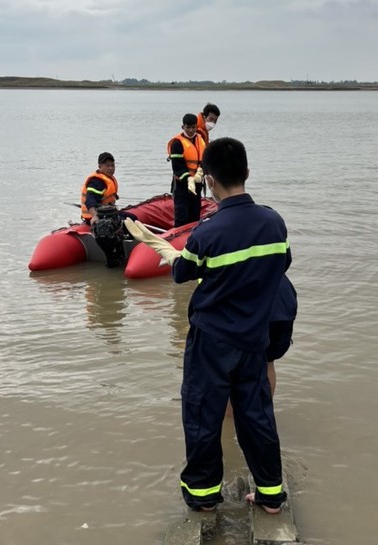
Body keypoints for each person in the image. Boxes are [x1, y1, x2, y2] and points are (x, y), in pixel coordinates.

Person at [125, 137, 289, 515]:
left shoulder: (208, 232)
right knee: (256, 415)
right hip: (254, 338)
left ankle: (202, 498)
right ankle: (270, 496)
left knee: (203, 415)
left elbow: (183, 272)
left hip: (212, 340)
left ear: (209, 181)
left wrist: (158, 244)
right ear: (247, 173)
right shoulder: (274, 222)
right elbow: (282, 263)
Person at [225, 274, 297, 419]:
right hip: (284, 302)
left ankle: (230, 422)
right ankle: (263, 413)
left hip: (255, 305)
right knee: (268, 362)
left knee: (229, 368)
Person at [80, 152, 124, 267]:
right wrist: (94, 215)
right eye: (107, 165)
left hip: (107, 213)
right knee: (131, 219)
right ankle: (116, 255)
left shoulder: (107, 179)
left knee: (129, 217)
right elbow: (90, 200)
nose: (111, 168)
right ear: (100, 166)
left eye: (112, 165)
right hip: (98, 217)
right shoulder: (97, 182)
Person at [167, 113, 206, 227]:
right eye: (188, 127)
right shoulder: (177, 143)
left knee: (195, 214)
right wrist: (189, 178)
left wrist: (201, 171)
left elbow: (204, 158)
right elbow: (177, 166)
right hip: (182, 184)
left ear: (196, 127)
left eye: (193, 127)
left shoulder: (200, 140)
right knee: (182, 214)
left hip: (197, 182)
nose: (190, 130)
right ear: (182, 127)